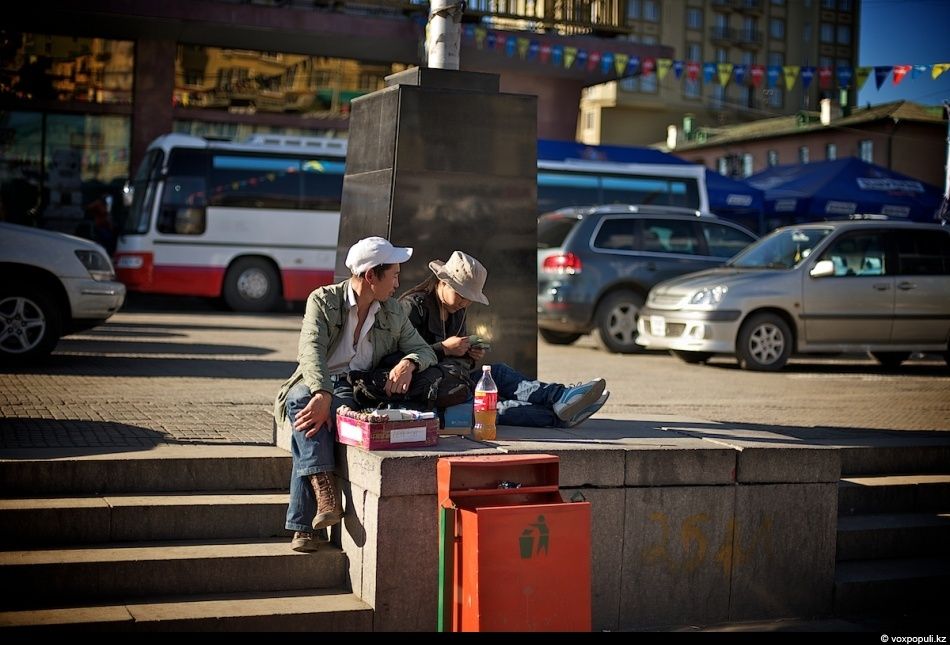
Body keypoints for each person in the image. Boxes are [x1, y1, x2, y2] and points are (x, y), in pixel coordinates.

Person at [274, 236, 438, 553]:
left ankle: (307, 523)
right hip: (316, 379)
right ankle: (321, 499)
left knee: (304, 413)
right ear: (370, 276)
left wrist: (409, 362)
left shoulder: (392, 311)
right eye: (393, 274)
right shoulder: (322, 300)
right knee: (302, 401)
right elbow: (310, 352)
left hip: (355, 388)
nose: (398, 283)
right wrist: (321, 391)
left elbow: (422, 349)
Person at [399, 250, 609, 429]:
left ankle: (561, 396)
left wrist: (469, 355)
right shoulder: (413, 307)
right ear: (443, 282)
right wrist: (443, 349)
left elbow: (456, 362)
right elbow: (399, 360)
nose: (464, 303)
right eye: (461, 295)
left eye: (469, 299)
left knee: (498, 372)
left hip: (454, 380)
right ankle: (561, 415)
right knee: (496, 407)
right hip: (431, 392)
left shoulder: (456, 310)